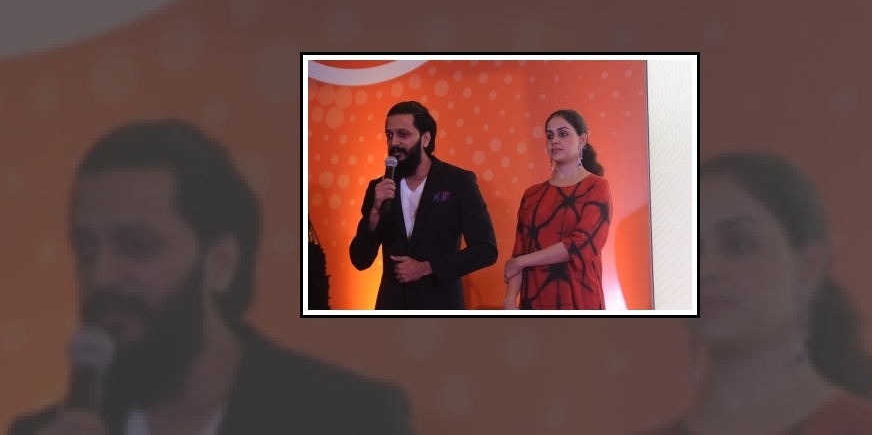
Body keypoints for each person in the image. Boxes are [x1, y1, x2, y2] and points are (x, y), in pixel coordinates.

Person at [8, 120, 412, 435]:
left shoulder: (350, 418)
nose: (101, 277)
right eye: (86, 249)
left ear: (220, 263)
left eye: (135, 245)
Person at [638, 152, 872, 434]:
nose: (704, 270)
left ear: (808, 267)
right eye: (689, 251)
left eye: (738, 244)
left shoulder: (867, 429)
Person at [349, 101, 498, 309]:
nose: (394, 142)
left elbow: (486, 250)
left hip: (441, 306)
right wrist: (374, 213)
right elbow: (360, 260)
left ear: (425, 139)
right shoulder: (379, 188)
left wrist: (427, 267)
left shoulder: (458, 182)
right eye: (389, 135)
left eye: (403, 134)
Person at [502, 109, 612, 310]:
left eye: (563, 134)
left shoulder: (597, 187)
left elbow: (580, 245)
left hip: (578, 297)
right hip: (534, 299)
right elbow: (518, 252)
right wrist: (509, 300)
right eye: (550, 135)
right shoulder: (531, 195)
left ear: (582, 140)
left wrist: (522, 262)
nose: (554, 141)